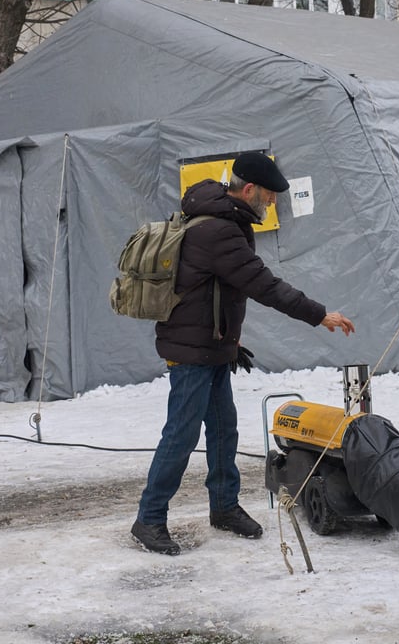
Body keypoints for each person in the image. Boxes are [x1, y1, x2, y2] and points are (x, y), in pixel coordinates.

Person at [131, 152, 355, 555]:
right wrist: (319, 315)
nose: (271, 204)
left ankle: (224, 506)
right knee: (181, 436)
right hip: (191, 351)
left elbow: (219, 290)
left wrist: (228, 343)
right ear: (249, 189)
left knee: (223, 430)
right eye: (269, 196)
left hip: (211, 347)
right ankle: (148, 518)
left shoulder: (224, 219)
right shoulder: (218, 231)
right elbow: (263, 285)